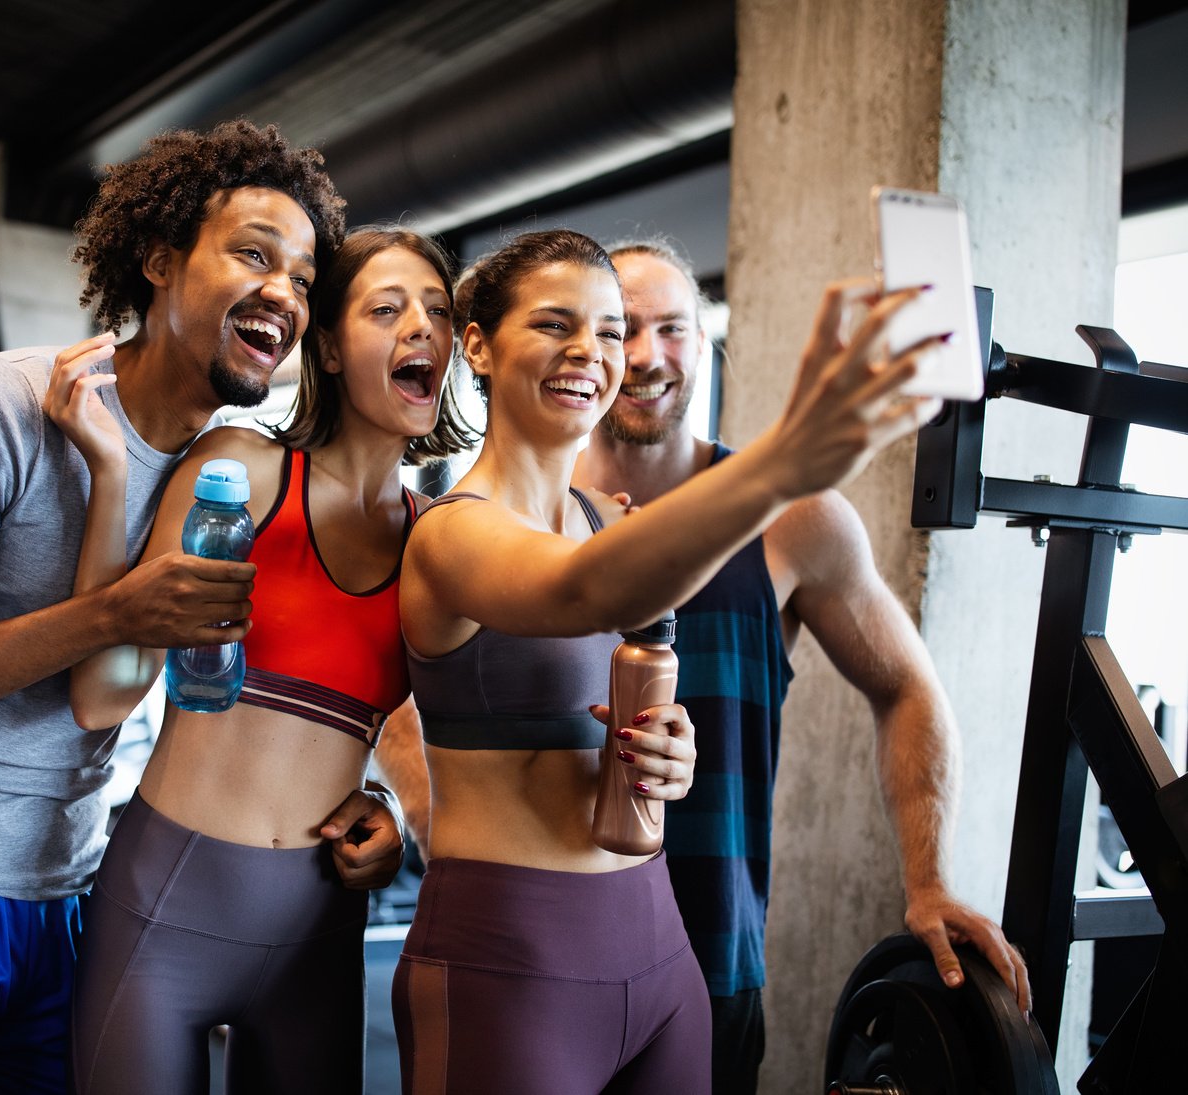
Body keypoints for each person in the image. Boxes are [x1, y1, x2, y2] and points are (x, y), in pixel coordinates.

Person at [0, 121, 404, 1094]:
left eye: (303, 277)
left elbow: (312, 672)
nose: (282, 292)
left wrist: (379, 800)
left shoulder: (230, 474)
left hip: (70, 883)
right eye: (252, 254)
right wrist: (112, 617)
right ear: (158, 261)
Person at [390, 229, 943, 1094]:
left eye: (608, 330)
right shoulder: (450, 533)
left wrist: (668, 748)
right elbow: (582, 593)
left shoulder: (609, 520)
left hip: (664, 950)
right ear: (477, 346)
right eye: (555, 324)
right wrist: (781, 463)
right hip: (514, 957)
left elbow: (627, 662)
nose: (596, 351)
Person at [565, 239, 1030, 1093]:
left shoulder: (795, 518)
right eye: (620, 329)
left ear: (705, 346)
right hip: (541, 945)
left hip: (710, 959)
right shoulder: (523, 511)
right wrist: (417, 809)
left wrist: (928, 880)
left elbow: (908, 686)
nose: (644, 354)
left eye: (672, 328)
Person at [62, 226, 474, 1093]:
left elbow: (409, 732)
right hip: (163, 908)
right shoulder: (239, 470)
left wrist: (393, 818)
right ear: (326, 342)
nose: (422, 331)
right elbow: (105, 693)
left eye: (437, 312)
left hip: (321, 928)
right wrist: (108, 474)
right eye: (387, 309)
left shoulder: (434, 542)